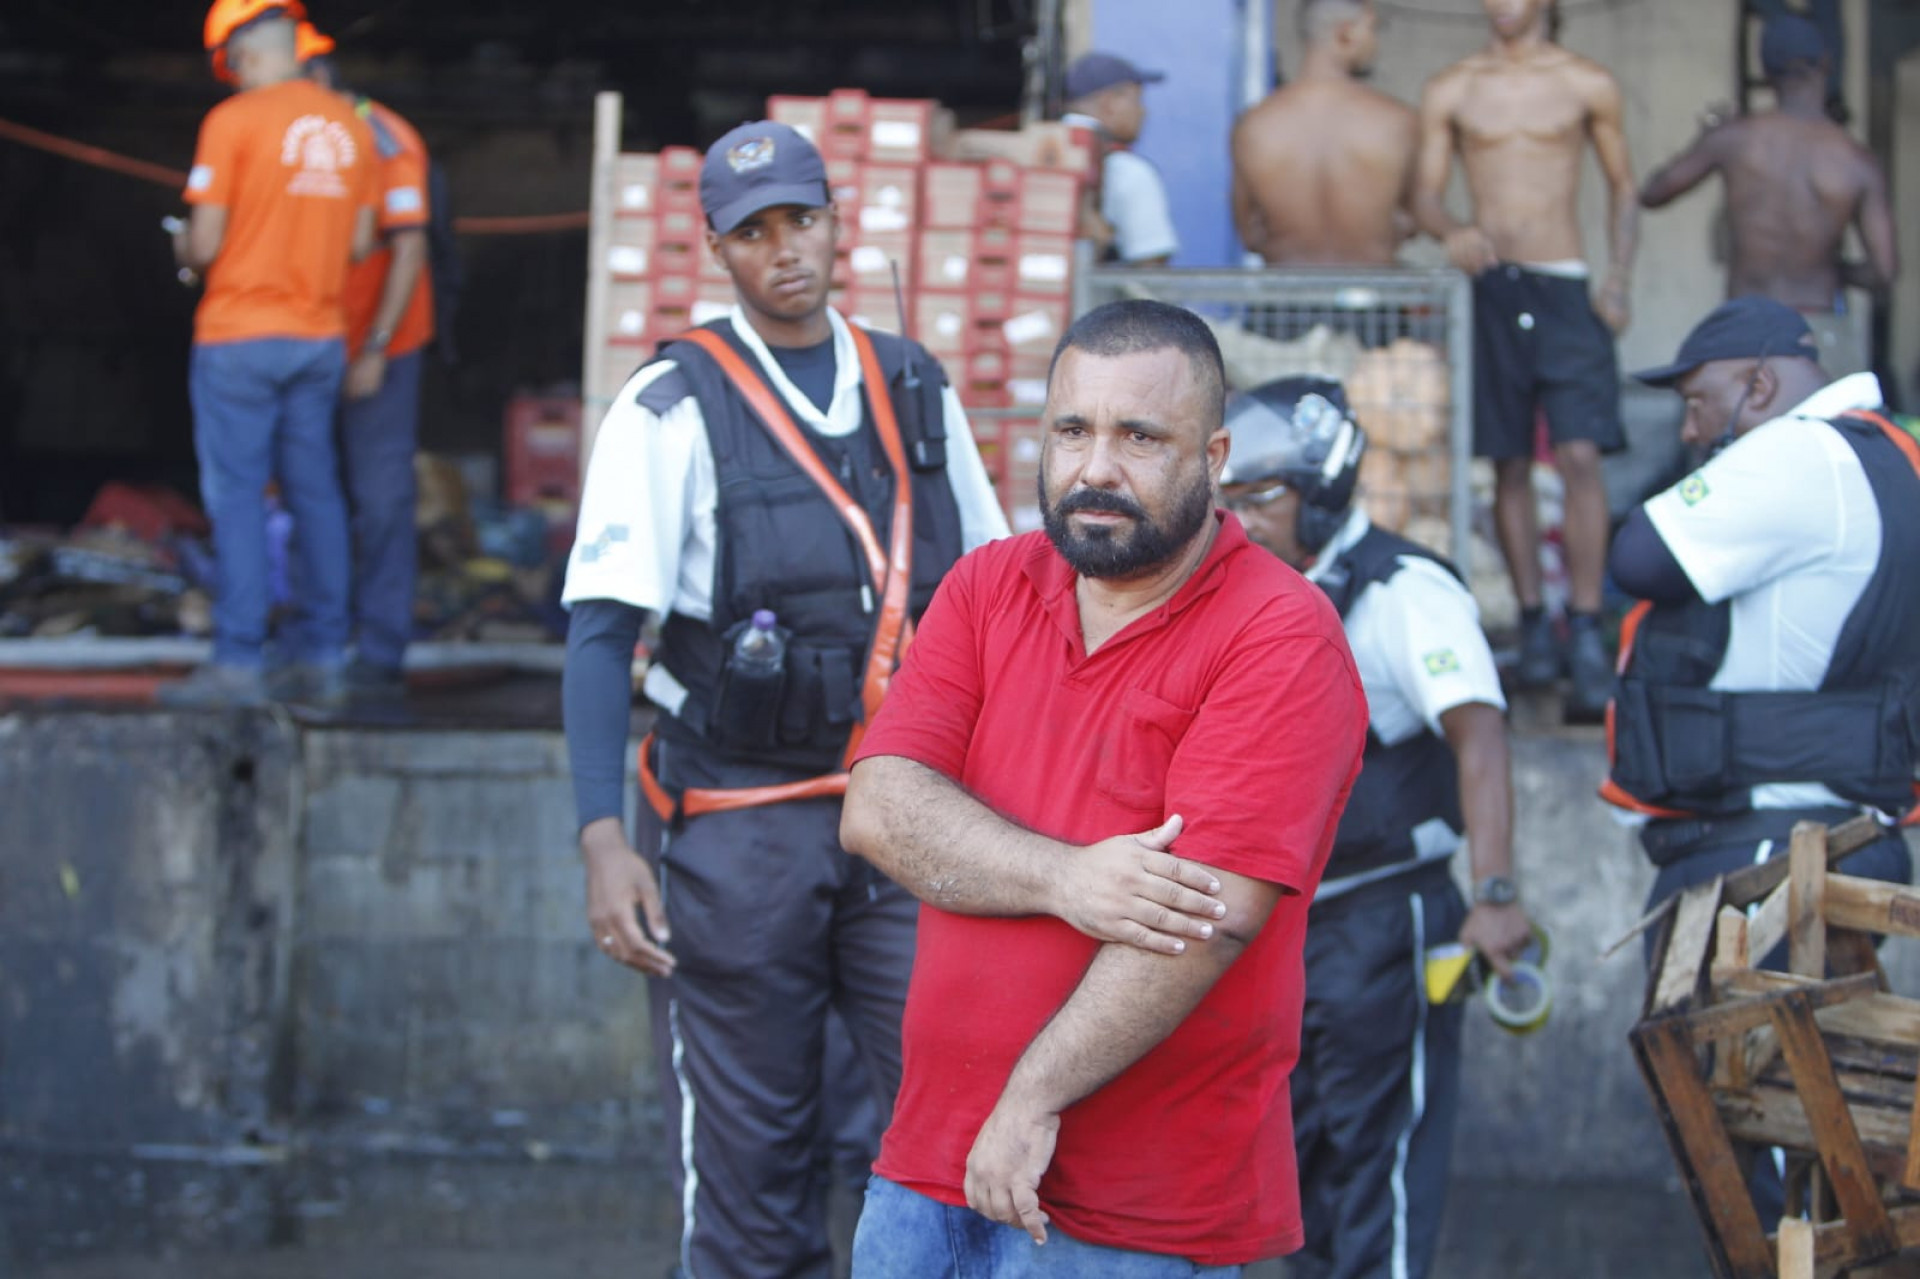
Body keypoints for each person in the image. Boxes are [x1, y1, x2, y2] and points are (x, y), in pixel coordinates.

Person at [559, 120, 1007, 1278]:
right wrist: (603, 839)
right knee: (753, 1159)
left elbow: (1000, 601)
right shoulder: (671, 403)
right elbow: (602, 634)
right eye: (753, 233)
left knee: (943, 1127)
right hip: (740, 823)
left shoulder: (913, 382)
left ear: (835, 220)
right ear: (718, 249)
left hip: (906, 818)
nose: (785, 250)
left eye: (800, 219)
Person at [840, 299, 1370, 1273]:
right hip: (924, 1166)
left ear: (1215, 459)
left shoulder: (1281, 636)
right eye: (1073, 430)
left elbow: (1202, 917)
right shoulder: (989, 585)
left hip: (1137, 1211)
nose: (1095, 469)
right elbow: (879, 807)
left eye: (1140, 437)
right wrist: (1068, 878)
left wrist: (1030, 1096)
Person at [1218, 377, 1534, 1279]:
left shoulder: (1401, 588)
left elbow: (1481, 737)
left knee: (1378, 1159)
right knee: (1292, 1156)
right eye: (1227, 502)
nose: (1240, 521)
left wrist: (1498, 893)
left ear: (1322, 495)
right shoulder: (1248, 591)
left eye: (1261, 500)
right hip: (1277, 925)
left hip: (1383, 917)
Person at [1605, 295, 1916, 940]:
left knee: (1726, 1044)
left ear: (1761, 385)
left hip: (1770, 848)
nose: (1691, 431)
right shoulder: (1892, 459)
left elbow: (1639, 556)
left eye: (1698, 403)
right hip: (1844, 834)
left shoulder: (1798, 452)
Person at [1413, 0, 1637, 719]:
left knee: (1579, 457)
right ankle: (1536, 625)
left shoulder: (1586, 82)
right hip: (1492, 283)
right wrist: (1451, 228)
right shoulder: (1455, 85)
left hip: (1568, 284)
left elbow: (1625, 187)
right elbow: (1422, 193)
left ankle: (1585, 629)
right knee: (1508, 459)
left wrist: (1619, 277)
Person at [160, 0, 376, 709]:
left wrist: (182, 248)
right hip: (317, 337)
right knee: (315, 494)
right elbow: (359, 241)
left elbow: (207, 241)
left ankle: (238, 660)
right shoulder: (350, 125)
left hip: (240, 336)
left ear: (242, 54)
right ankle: (322, 655)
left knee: (239, 498)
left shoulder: (233, 121)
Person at [1639, 15, 1895, 378]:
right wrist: (1829, 267)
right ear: (1826, 63)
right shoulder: (1855, 161)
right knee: (1827, 432)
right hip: (1817, 327)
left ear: (1766, 70)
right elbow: (1883, 271)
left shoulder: (1733, 138)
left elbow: (1653, 193)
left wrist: (1705, 137)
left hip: (1746, 326)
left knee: (1741, 433)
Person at [301, 23, 436, 703]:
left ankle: (381, 649)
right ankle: (313, 640)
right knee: (304, 492)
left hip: (380, 343)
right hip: (305, 341)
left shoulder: (382, 136)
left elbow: (407, 248)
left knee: (381, 498)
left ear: (317, 77)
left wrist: (376, 348)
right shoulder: (287, 135)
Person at [1231, 1, 1416, 267]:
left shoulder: (1253, 124)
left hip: (1285, 295)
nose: (1374, 43)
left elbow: (1248, 235)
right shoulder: (1397, 120)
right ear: (1346, 33)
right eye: (1372, 30)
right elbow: (1412, 222)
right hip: (1376, 296)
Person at [1061, 52, 1179, 266]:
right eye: (1137, 100)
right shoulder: (1128, 172)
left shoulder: (1037, 156)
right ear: (1110, 104)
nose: (1144, 112)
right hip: (1096, 299)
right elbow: (1152, 271)